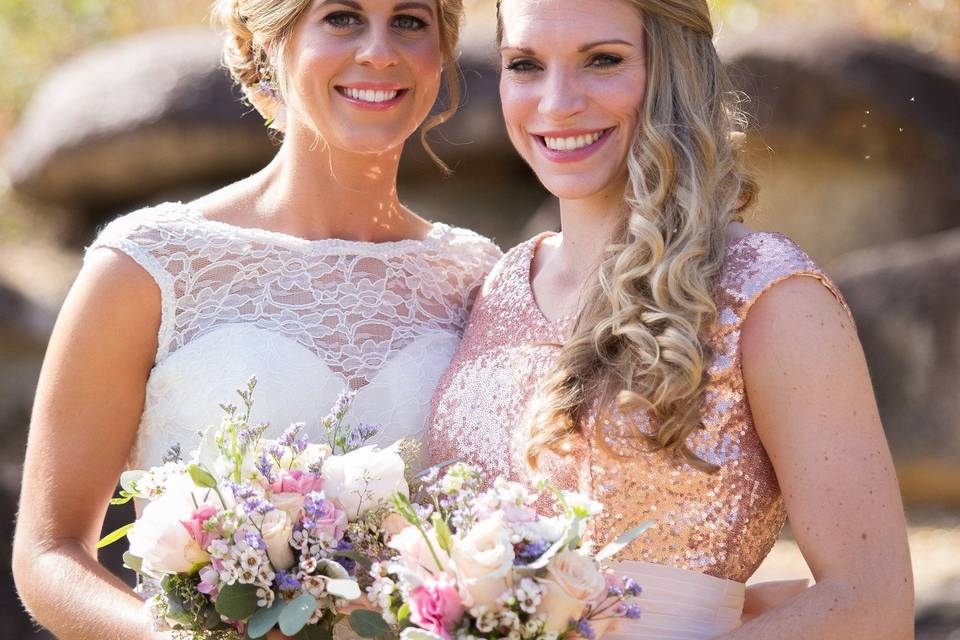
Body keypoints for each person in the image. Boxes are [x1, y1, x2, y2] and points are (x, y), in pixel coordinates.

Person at [12, 0, 500, 638]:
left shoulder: (480, 278)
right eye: (342, 17)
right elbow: (49, 553)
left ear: (441, 55)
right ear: (265, 40)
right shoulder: (146, 265)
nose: (380, 50)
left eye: (410, 20)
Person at [426, 0, 914, 637]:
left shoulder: (767, 292)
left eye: (603, 61)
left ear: (674, 71)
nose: (556, 101)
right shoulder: (498, 287)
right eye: (525, 64)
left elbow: (871, 601)